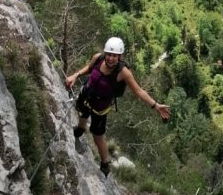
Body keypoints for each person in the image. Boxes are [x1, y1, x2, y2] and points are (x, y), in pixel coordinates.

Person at [66, 36, 171, 177]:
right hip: (87, 95)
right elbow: (89, 69)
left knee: (98, 136)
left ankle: (105, 163)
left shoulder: (123, 72)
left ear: (120, 57)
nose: (110, 58)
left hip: (100, 107)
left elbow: (139, 91)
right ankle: (80, 129)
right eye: (109, 54)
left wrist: (155, 105)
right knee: (82, 112)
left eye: (114, 56)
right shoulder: (98, 58)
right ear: (105, 53)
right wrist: (75, 75)